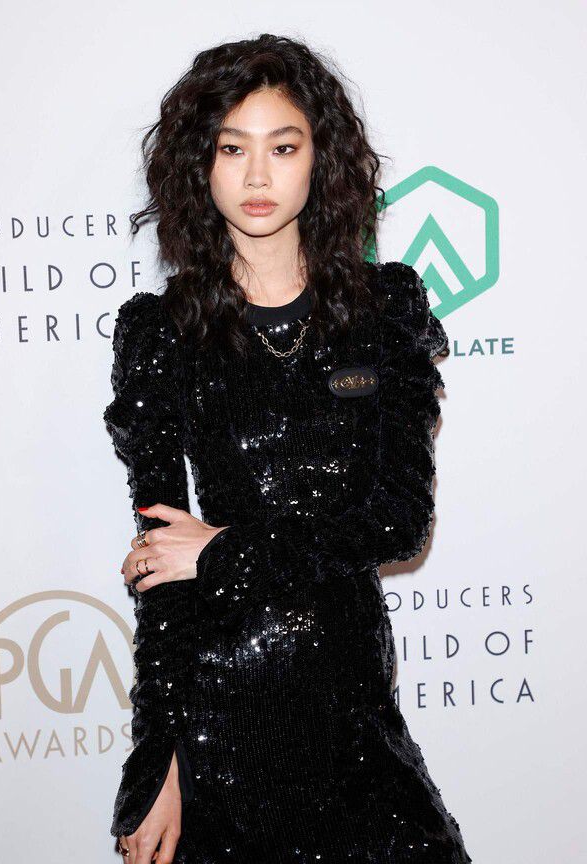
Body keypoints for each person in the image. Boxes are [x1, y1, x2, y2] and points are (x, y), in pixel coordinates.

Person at [103, 32, 472, 864]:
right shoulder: (162, 332)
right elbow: (163, 569)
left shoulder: (384, 310)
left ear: (320, 160)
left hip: (353, 711)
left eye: (283, 146)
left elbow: (398, 522)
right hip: (220, 714)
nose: (258, 176)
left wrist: (224, 551)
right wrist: (158, 760)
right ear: (200, 166)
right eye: (232, 148)